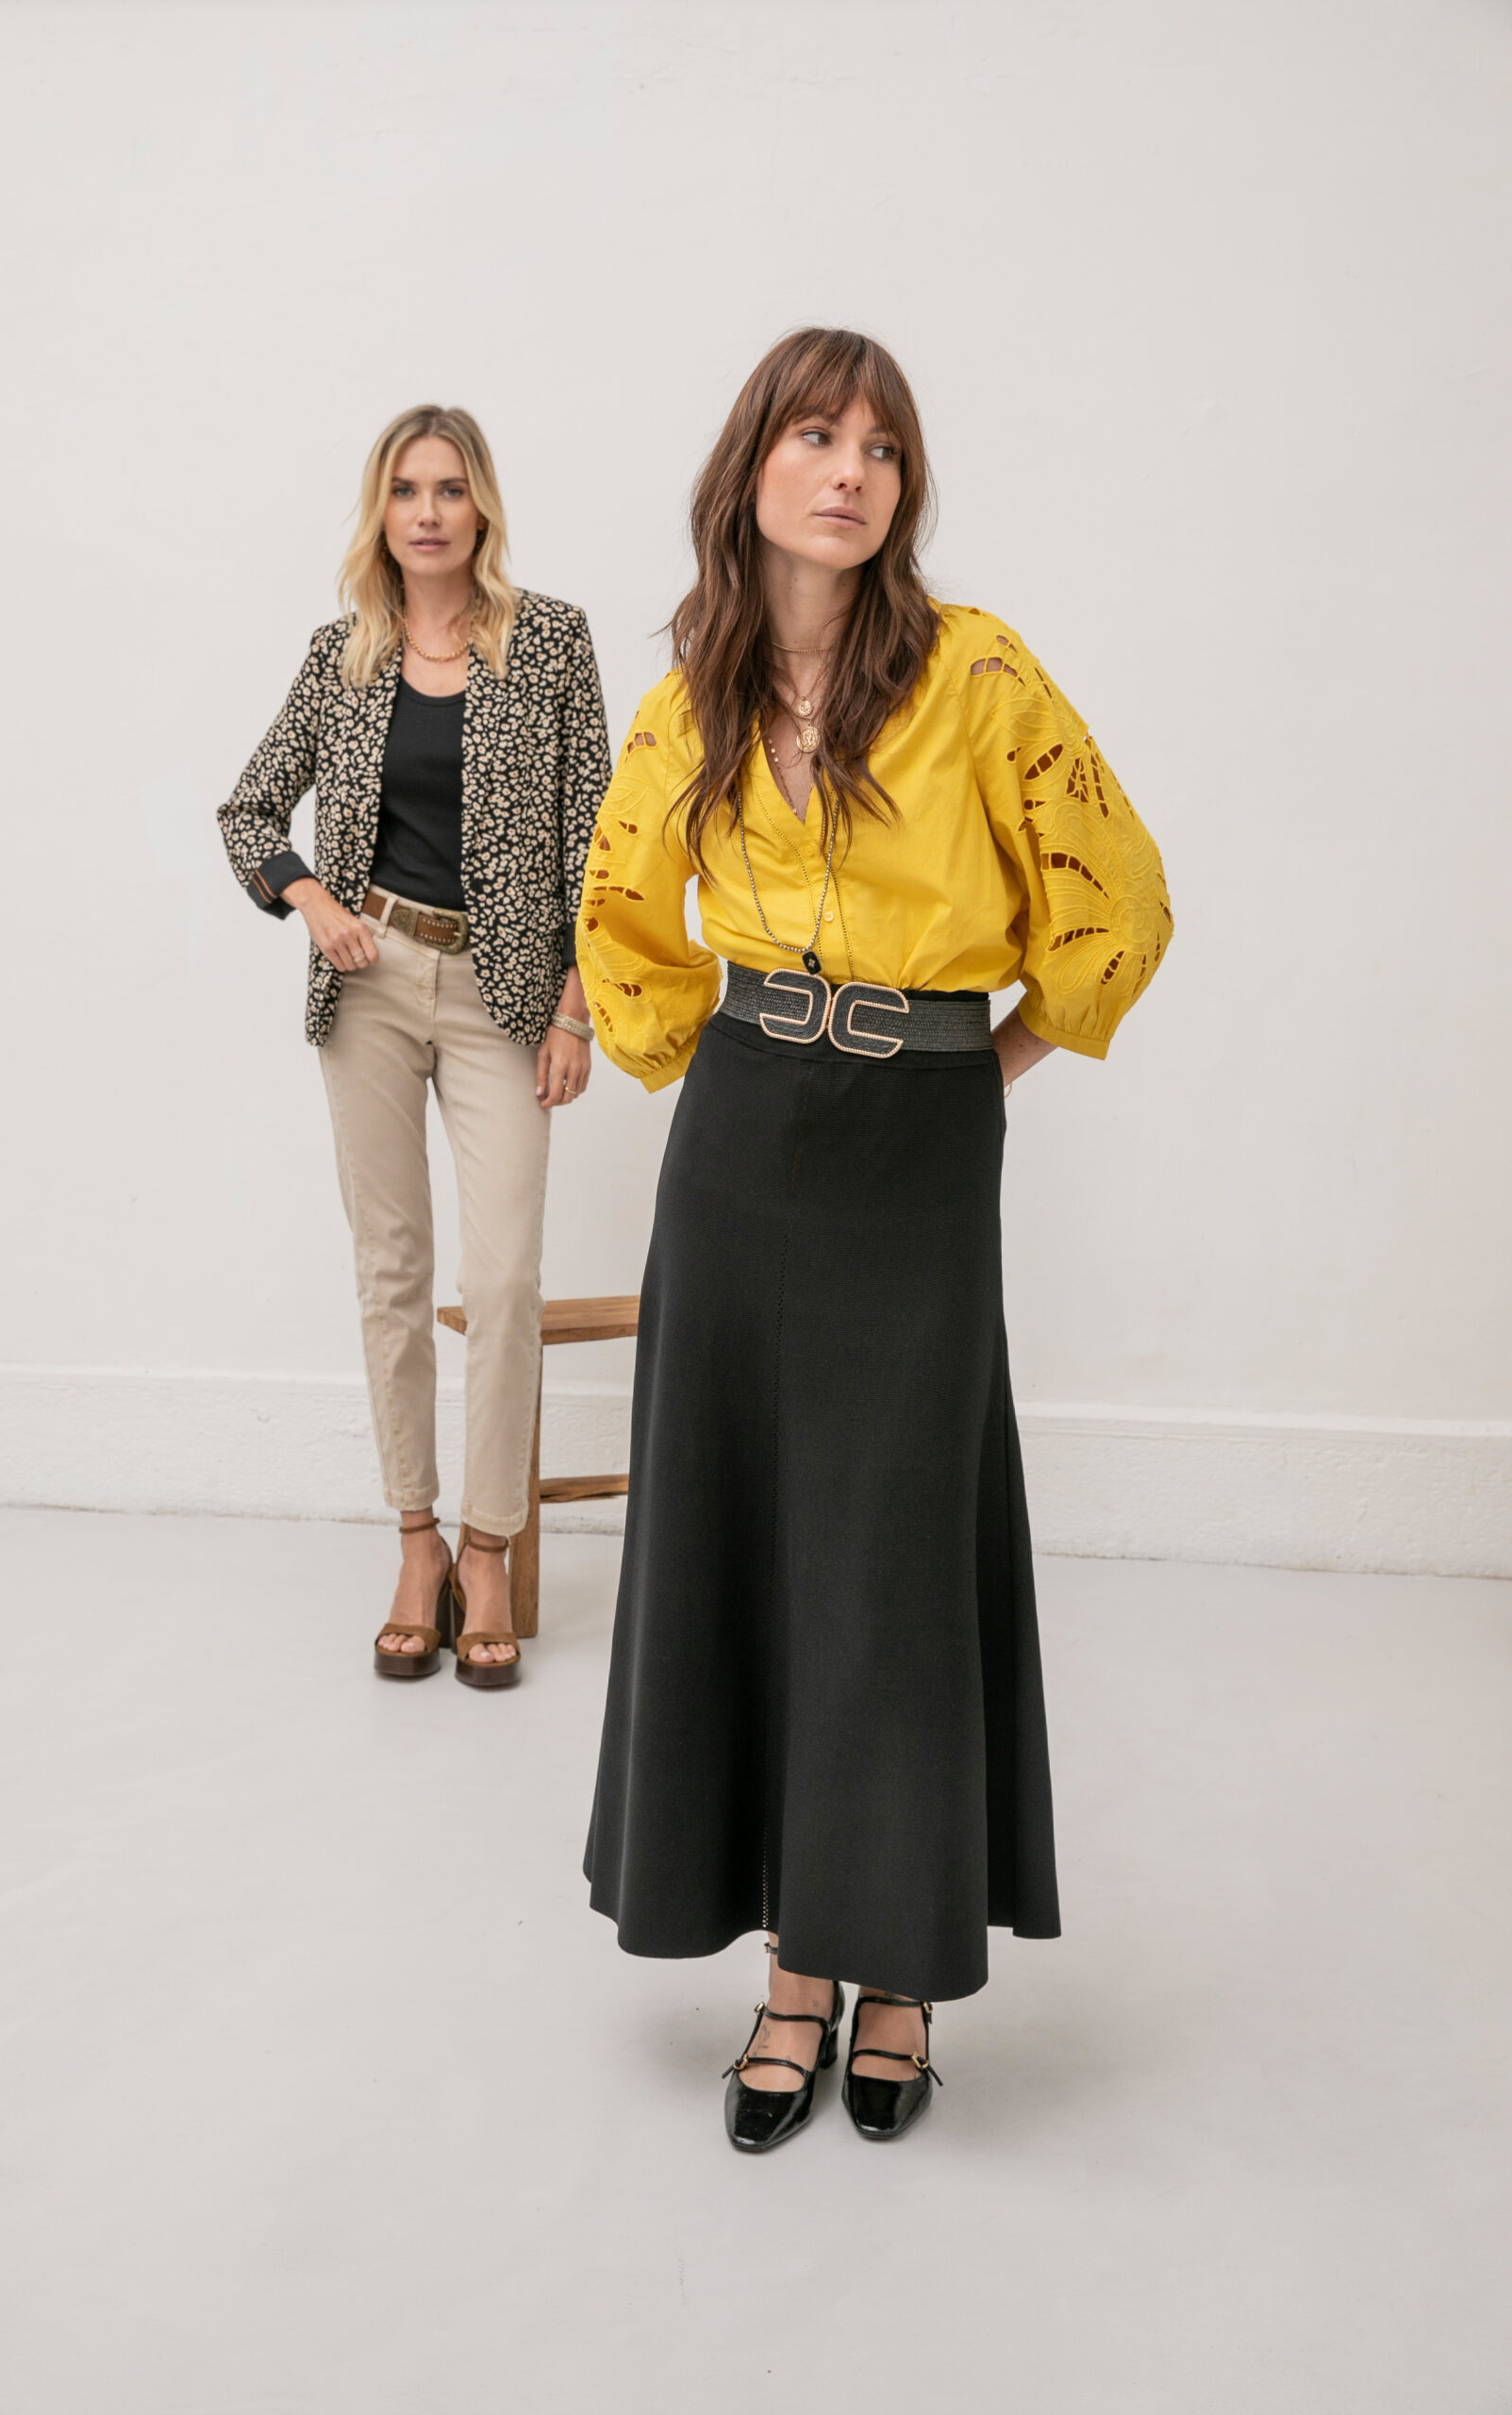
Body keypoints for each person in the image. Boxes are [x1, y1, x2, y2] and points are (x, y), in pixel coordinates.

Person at [576, 328, 1171, 2148]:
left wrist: (979, 1062)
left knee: (892, 1551)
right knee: (744, 1528)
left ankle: (894, 1963)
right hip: (740, 1132)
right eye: (816, 437)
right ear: (749, 464)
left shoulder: (975, 672)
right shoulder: (689, 690)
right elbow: (622, 911)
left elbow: (1116, 896)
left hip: (915, 1136)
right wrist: (695, 1045)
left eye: (883, 448)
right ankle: (790, 1971)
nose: (849, 472)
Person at [219, 404, 609, 1689]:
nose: (428, 512)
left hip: (507, 993)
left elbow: (599, 846)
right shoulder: (341, 654)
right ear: (380, 512)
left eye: (448, 488)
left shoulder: (549, 641)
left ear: (480, 504)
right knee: (393, 1272)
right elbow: (247, 809)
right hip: (371, 983)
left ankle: (488, 1548)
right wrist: (312, 901)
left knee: (502, 1280)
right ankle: (415, 1541)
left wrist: (574, 1008)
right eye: (405, 490)